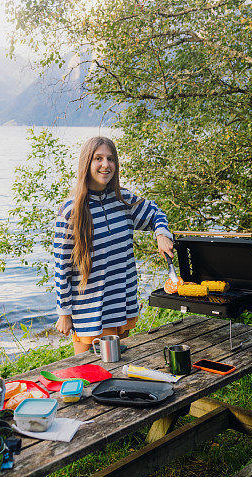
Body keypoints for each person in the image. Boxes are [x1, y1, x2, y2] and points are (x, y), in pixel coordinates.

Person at [54, 136, 174, 354]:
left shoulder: (123, 200)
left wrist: (161, 234)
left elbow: (155, 213)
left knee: (117, 373)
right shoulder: (71, 211)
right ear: (86, 163)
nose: (105, 165)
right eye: (98, 158)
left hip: (120, 304)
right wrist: (64, 313)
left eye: (110, 159)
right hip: (89, 312)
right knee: (89, 377)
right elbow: (62, 267)